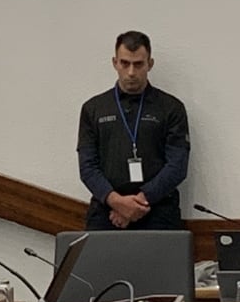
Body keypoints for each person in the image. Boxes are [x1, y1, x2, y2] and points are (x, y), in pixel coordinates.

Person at [77, 30, 190, 230]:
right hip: (106, 211)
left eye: (138, 64)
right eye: (125, 63)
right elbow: (87, 167)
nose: (131, 72)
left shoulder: (171, 108)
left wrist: (139, 202)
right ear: (115, 63)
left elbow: (177, 166)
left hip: (158, 210)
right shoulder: (93, 109)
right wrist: (117, 203)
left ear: (150, 64)